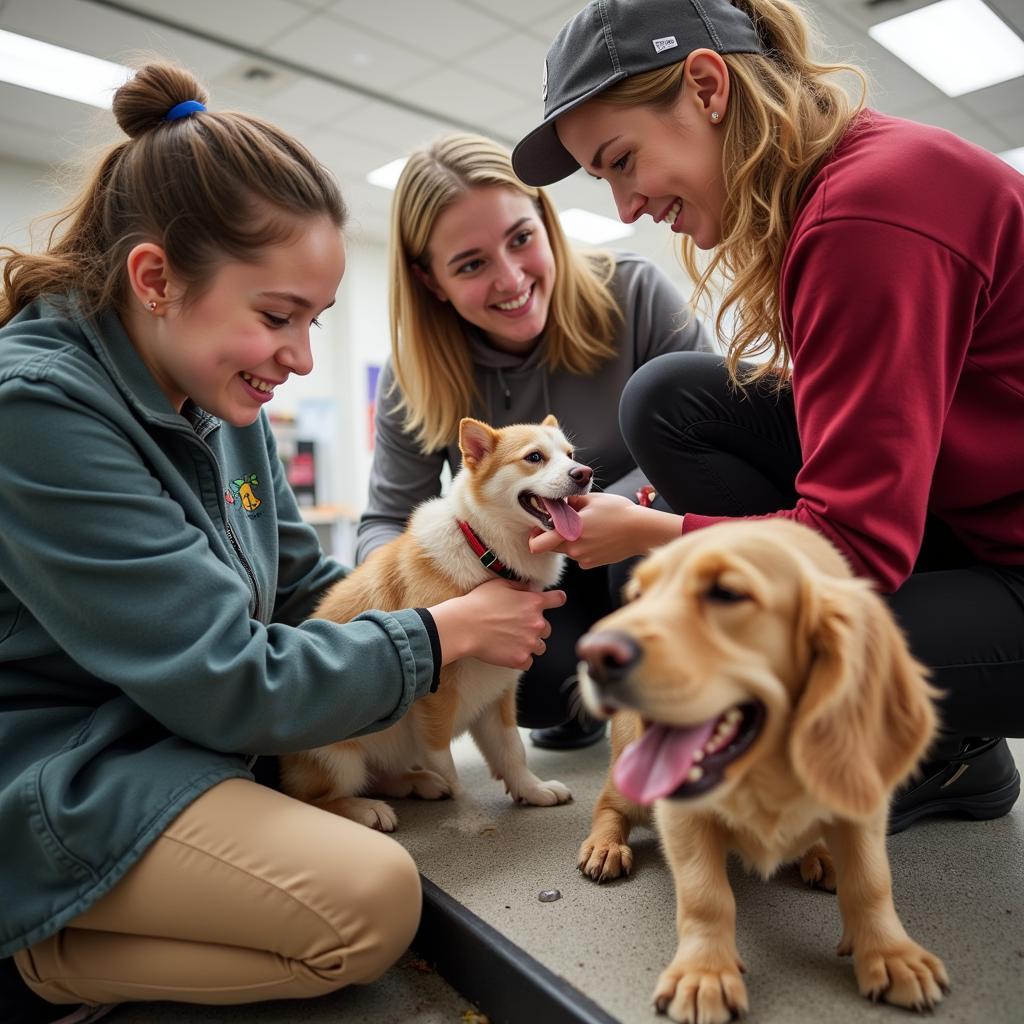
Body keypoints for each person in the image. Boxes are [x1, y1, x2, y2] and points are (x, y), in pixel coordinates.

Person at [0, 63, 567, 1024]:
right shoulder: (38, 411)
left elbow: (304, 583)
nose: (302, 358)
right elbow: (224, 675)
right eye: (277, 317)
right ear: (154, 279)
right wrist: (438, 635)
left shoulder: (220, 397)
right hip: (71, 773)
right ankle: (41, 954)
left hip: (182, 740)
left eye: (315, 320)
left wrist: (430, 594)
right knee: (370, 905)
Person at [512, 0, 1023, 829]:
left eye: (621, 161)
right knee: (671, 399)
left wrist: (653, 536)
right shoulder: (842, 187)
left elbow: (854, 545)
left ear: (707, 87)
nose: (625, 208)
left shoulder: (866, 215)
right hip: (976, 517)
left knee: (733, 639)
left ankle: (949, 746)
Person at [357, 131, 712, 750]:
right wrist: (436, 616)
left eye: (521, 239)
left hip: (646, 547)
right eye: (471, 264)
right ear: (431, 280)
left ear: (546, 222)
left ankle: (682, 693)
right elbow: (387, 518)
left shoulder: (635, 294)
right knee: (540, 688)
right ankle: (578, 703)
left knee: (639, 554)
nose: (511, 278)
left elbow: (711, 445)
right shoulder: (413, 373)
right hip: (535, 572)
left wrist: (616, 512)